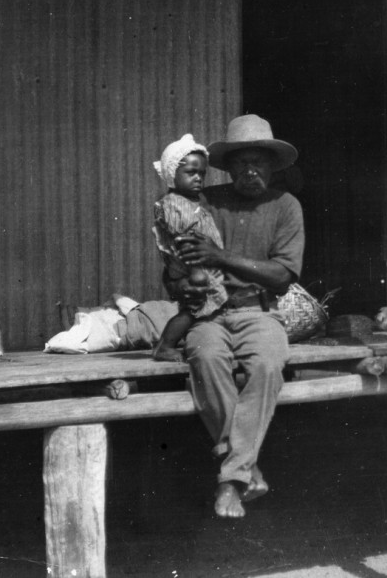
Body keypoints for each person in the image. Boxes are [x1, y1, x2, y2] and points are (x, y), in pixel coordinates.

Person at [168, 114, 304, 519]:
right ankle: (246, 469)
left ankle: (230, 479)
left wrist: (221, 256)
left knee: (266, 363)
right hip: (207, 314)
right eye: (241, 162)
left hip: (257, 311)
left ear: (272, 165)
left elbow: (282, 276)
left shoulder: (285, 206)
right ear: (228, 167)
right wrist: (180, 285)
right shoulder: (204, 202)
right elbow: (175, 268)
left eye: (259, 162)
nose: (250, 170)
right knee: (206, 359)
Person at [150, 134, 229, 362]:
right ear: (172, 174)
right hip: (195, 267)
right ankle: (165, 345)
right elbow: (184, 240)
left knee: (195, 308)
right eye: (191, 172)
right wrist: (196, 273)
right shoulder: (177, 205)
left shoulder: (188, 202)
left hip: (201, 264)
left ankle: (175, 342)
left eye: (202, 173)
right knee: (194, 309)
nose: (198, 178)